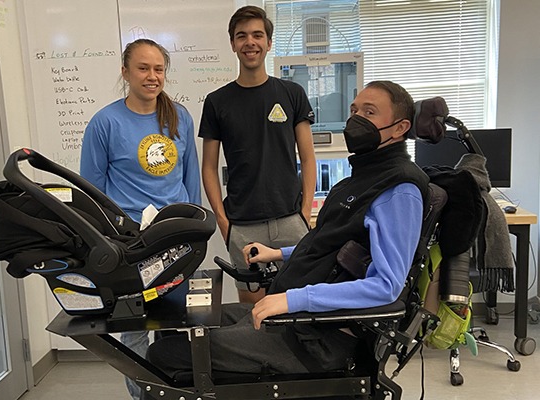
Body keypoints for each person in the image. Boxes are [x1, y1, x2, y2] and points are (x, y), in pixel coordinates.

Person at [147, 80, 430, 377]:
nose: (355, 119)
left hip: (319, 338)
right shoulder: (361, 179)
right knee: (174, 325)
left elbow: (386, 287)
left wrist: (292, 299)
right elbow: (330, 246)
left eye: (369, 112)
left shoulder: (399, 190)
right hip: (300, 318)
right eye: (353, 109)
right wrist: (278, 253)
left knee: (165, 354)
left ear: (400, 128)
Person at [79, 38, 200, 400]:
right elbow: (92, 192)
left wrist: (194, 232)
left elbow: (190, 178)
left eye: (158, 69)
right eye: (143, 68)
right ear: (126, 72)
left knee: (175, 325)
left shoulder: (180, 116)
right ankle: (142, 396)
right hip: (129, 245)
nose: (152, 76)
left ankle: (173, 393)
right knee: (133, 330)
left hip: (176, 240)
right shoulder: (105, 123)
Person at [199, 5, 317, 304]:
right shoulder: (216, 102)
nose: (249, 42)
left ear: (268, 43)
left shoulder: (292, 94)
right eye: (242, 36)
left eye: (257, 35)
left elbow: (308, 157)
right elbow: (209, 168)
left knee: (299, 308)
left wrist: (305, 212)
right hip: (242, 225)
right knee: (252, 315)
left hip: (291, 219)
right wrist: (225, 224)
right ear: (233, 44)